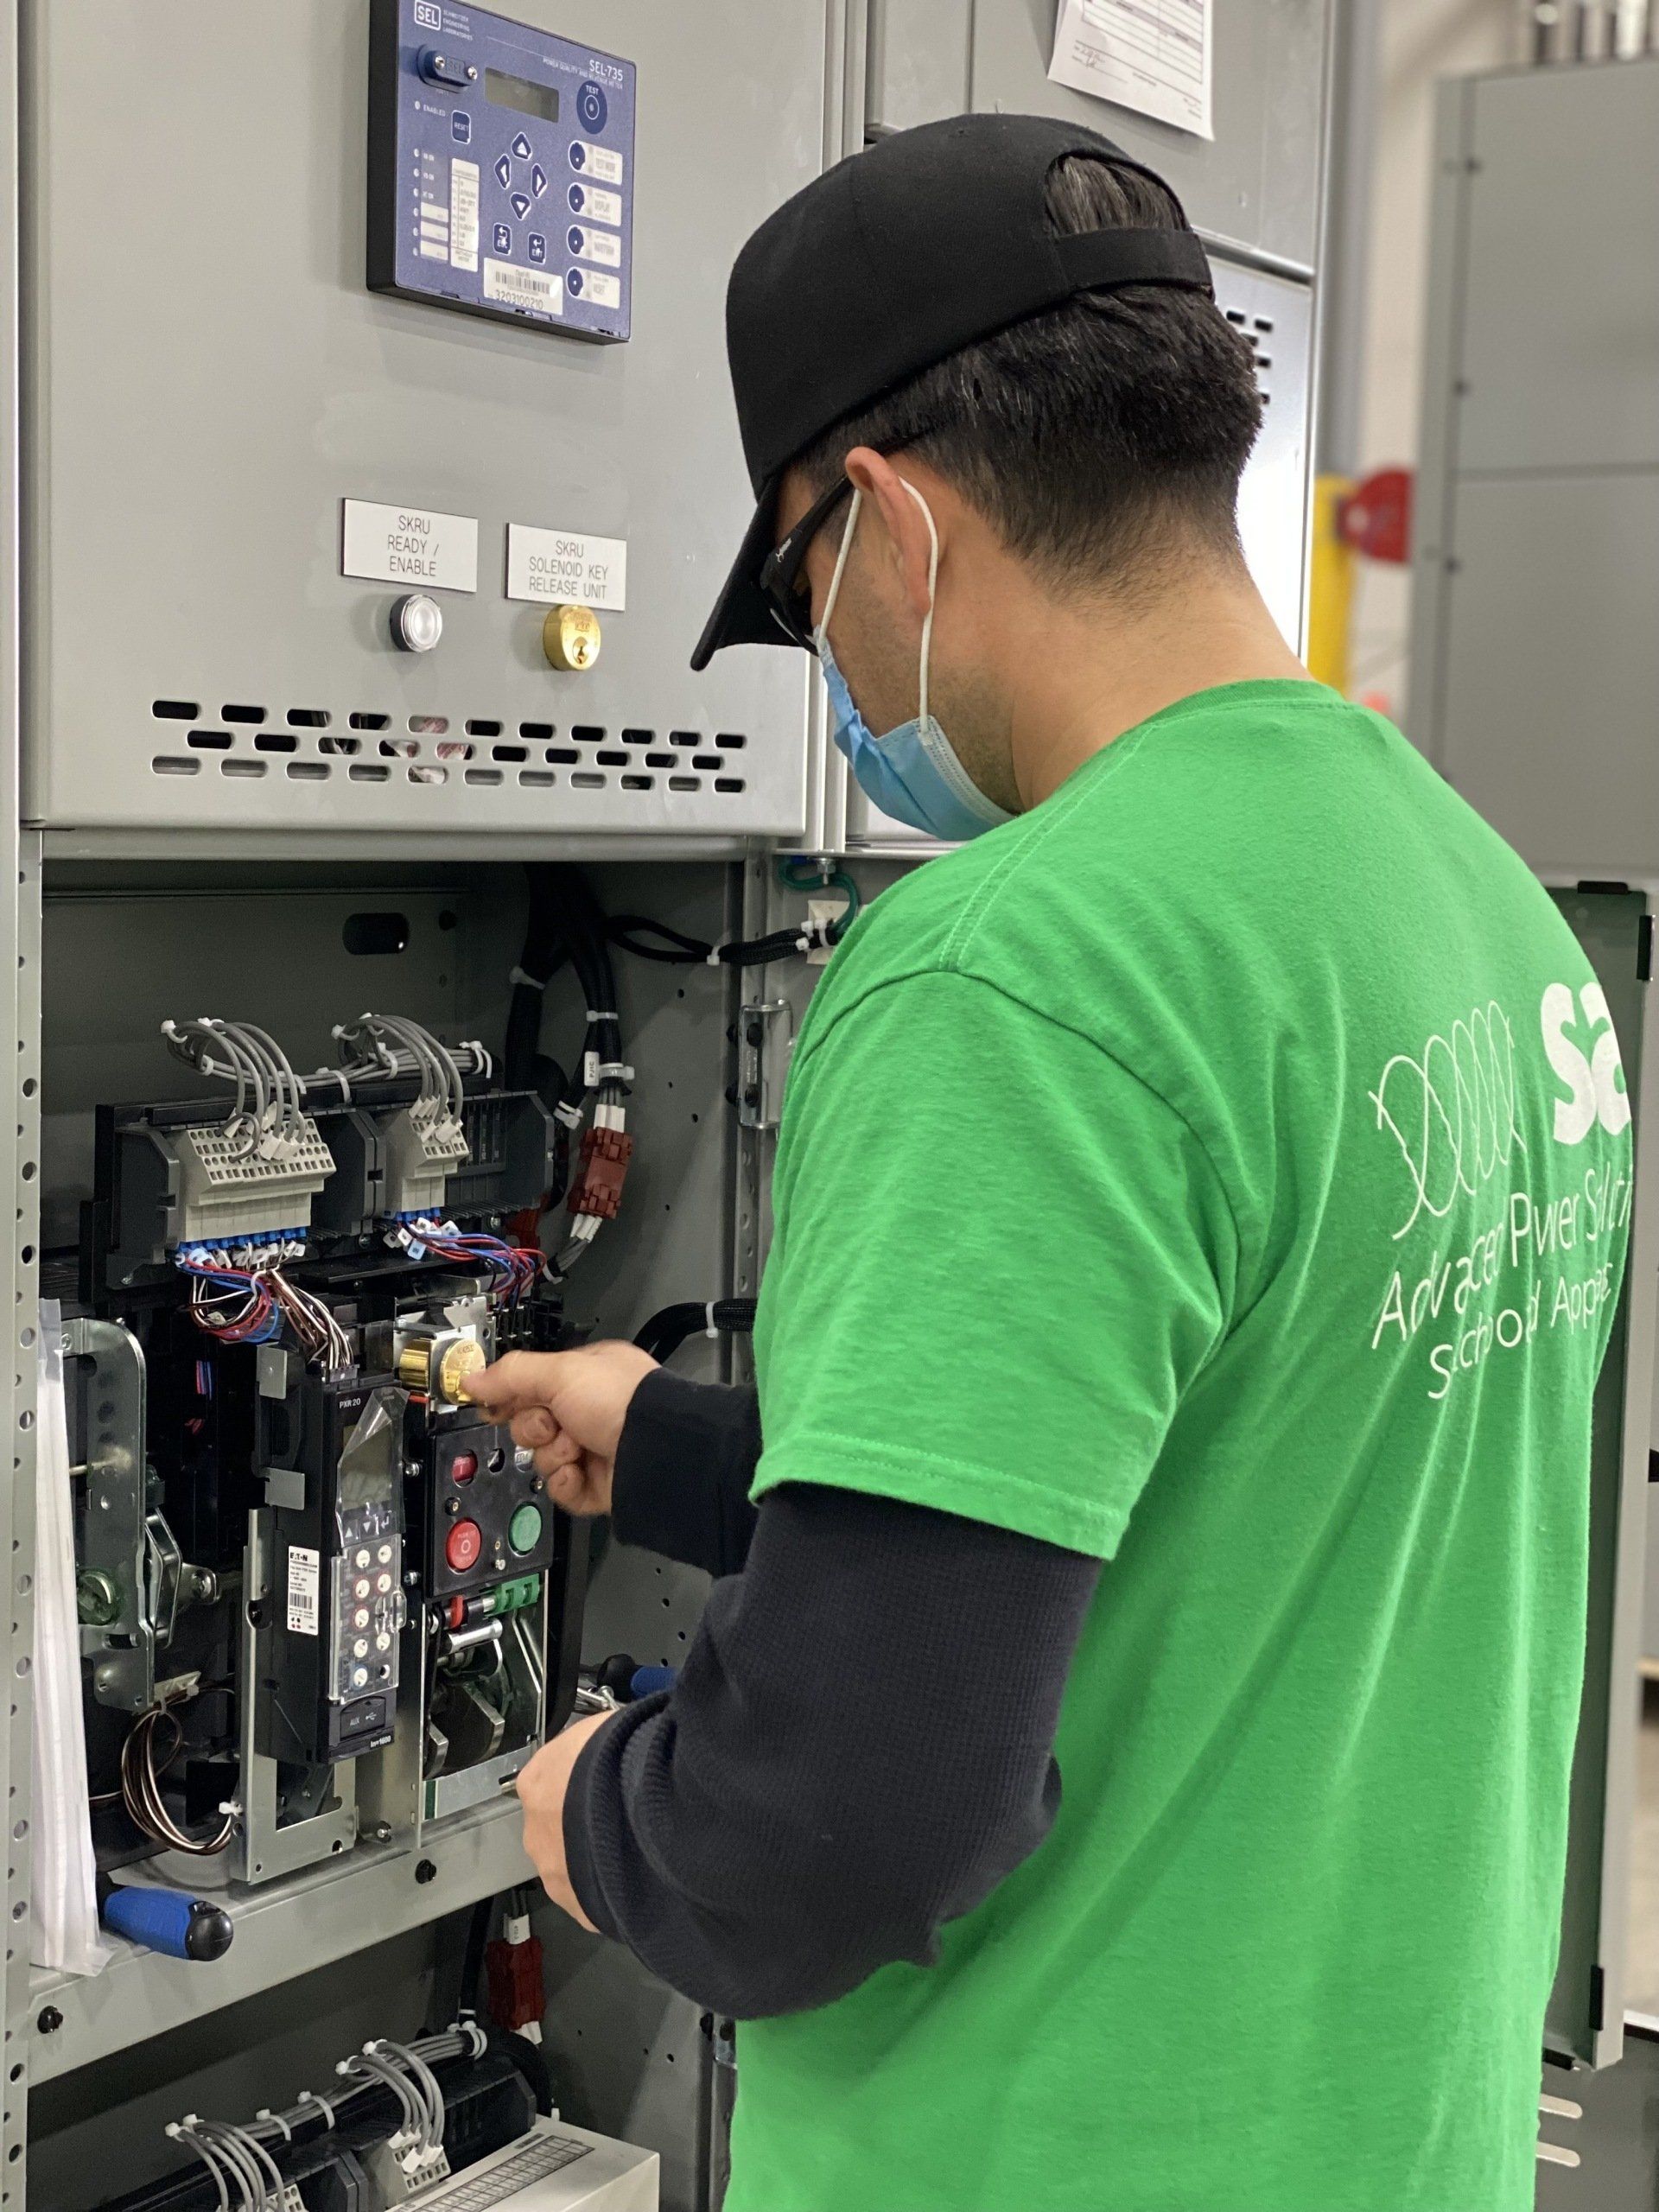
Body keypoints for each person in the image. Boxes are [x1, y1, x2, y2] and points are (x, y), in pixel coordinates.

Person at [467, 112, 1634, 2212]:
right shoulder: (1470, 900)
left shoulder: (1021, 965)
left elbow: (839, 1817)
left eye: (804, 588)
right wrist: (682, 1449)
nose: (833, 668)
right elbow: (1228, 1500)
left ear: (888, 521)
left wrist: (599, 1811)